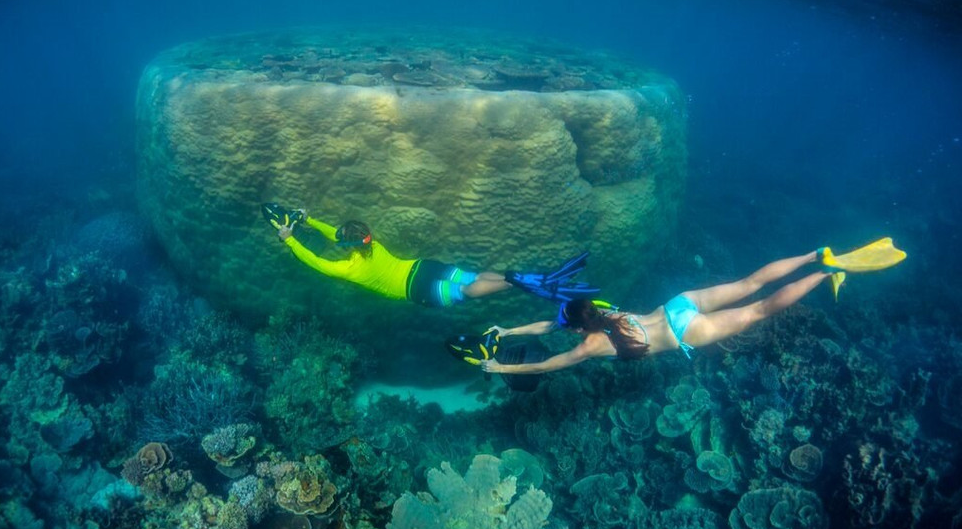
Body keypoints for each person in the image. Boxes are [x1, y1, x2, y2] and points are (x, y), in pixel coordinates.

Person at [480, 239, 906, 376]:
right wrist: (507, 331)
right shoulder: (602, 312)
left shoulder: (589, 344)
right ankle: (817, 255)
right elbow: (549, 324)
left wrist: (502, 368)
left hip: (684, 333)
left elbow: (549, 364)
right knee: (750, 283)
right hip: (676, 305)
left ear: (575, 328)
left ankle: (827, 273)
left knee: (759, 311)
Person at [262, 202, 597, 308]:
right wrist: (308, 221)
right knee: (471, 278)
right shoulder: (373, 243)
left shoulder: (351, 270)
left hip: (416, 291)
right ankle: (522, 277)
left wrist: (290, 240)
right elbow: (339, 232)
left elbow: (316, 261)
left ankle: (518, 283)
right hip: (422, 266)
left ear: (351, 246)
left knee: (466, 291)